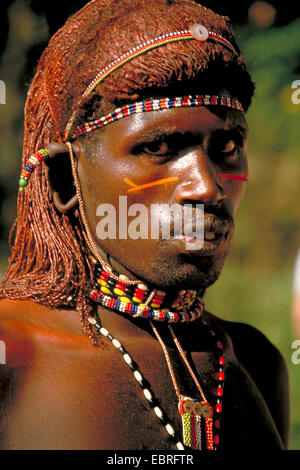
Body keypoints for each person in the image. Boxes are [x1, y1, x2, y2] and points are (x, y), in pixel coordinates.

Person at [0, 0, 289, 450]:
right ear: (65, 178)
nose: (206, 187)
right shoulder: (12, 353)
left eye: (227, 145)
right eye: (158, 147)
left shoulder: (255, 361)